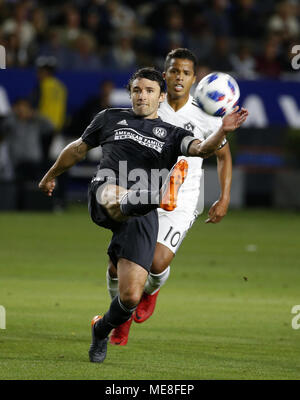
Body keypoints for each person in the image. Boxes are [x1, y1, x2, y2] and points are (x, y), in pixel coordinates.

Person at [38, 67, 248, 363]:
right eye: (137, 90)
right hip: (107, 192)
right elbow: (77, 149)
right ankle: (147, 197)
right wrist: (51, 175)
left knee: (130, 298)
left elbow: (201, 149)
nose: (142, 96)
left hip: (142, 213)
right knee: (115, 195)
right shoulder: (110, 118)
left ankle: (101, 329)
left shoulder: (174, 134)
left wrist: (222, 131)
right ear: (131, 93)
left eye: (149, 91)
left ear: (161, 96)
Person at [108, 48, 234, 346]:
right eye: (174, 71)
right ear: (165, 76)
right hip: (141, 193)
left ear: (194, 79)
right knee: (117, 266)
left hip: (182, 199)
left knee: (156, 262)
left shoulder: (207, 115)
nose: (179, 77)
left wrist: (224, 198)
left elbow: (224, 156)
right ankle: (119, 321)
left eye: (186, 72)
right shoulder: (150, 106)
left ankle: (150, 291)